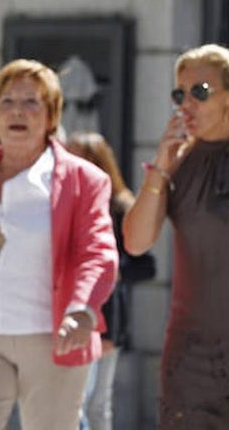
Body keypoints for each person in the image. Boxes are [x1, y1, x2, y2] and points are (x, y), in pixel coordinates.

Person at [0, 59, 117, 430]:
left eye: (32, 103)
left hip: (53, 339)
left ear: (51, 116)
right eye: (6, 101)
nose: (17, 112)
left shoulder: (83, 180)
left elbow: (99, 252)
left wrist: (81, 309)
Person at [122, 43, 229, 429]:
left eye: (200, 91)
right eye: (180, 93)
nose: (187, 103)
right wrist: (160, 166)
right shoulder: (177, 166)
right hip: (191, 357)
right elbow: (136, 242)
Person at [64, 131, 154, 430]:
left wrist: (112, 269)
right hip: (72, 309)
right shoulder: (64, 202)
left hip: (109, 312)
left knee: (98, 400)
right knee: (77, 401)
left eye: (78, 155)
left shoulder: (120, 206)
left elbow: (146, 266)